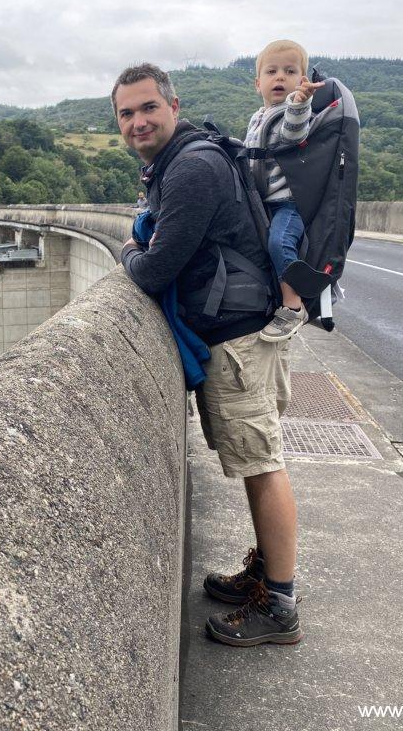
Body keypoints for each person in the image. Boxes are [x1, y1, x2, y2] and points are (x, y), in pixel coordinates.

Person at [115, 63, 302, 647]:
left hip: (238, 339)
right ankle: (265, 572)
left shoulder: (192, 168)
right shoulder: (188, 158)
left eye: (148, 107)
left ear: (173, 104)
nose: (138, 121)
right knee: (255, 463)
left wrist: (129, 250)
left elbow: (154, 268)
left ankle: (280, 605)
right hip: (242, 331)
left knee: (262, 464)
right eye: (126, 113)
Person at [246, 39, 324, 342]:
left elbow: (294, 132)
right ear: (258, 83)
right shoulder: (257, 117)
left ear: (302, 80)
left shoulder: (291, 111)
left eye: (290, 71)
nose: (280, 77)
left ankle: (293, 307)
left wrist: (301, 100)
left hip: (289, 204)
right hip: (264, 202)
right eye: (272, 71)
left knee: (279, 243)